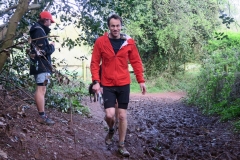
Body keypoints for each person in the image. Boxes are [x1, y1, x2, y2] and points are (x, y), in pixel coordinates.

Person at [90, 14, 146, 157]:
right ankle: (110, 129)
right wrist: (96, 81)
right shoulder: (101, 42)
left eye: (117, 26)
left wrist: (141, 81)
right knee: (110, 115)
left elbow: (136, 62)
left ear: (121, 26)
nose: (115, 28)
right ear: (109, 27)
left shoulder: (129, 42)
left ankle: (121, 145)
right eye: (113, 26)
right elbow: (95, 63)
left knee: (122, 116)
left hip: (123, 83)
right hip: (107, 84)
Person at [29, 11, 56, 125]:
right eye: (50, 21)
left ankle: (42, 114)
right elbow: (41, 52)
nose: (50, 24)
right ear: (46, 20)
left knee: (42, 88)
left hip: (43, 66)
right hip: (41, 66)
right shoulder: (39, 31)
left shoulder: (38, 30)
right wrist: (52, 46)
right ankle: (42, 116)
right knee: (41, 89)